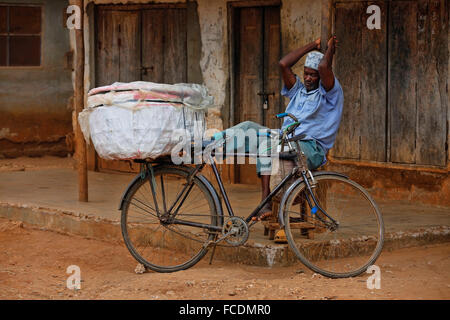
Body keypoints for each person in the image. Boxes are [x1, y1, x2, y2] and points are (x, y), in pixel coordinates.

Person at [252, 36, 344, 222]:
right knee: (265, 144)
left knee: (282, 158)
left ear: (321, 75)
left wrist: (330, 50)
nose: (309, 78)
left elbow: (325, 67)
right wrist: (313, 45)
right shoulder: (298, 91)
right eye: (306, 74)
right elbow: (283, 64)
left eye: (313, 75)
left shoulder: (330, 94)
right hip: (289, 142)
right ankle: (265, 200)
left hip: (313, 148)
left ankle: (283, 216)